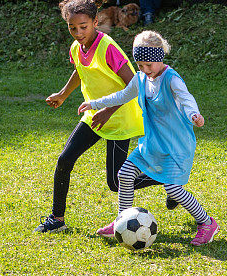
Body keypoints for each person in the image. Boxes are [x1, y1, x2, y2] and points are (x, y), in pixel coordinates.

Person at [79, 30, 219, 246]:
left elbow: (186, 98)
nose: (145, 70)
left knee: (173, 189)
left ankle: (206, 222)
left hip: (176, 145)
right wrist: (95, 103)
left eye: (149, 65)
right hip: (151, 144)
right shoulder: (140, 78)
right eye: (140, 65)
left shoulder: (171, 79)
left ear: (159, 58)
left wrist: (194, 115)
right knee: (125, 175)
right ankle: (122, 221)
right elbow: (122, 95)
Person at [37, 0, 161, 234]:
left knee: (116, 183)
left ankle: (167, 179)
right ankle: (57, 218)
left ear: (95, 22)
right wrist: (63, 94)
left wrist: (108, 111)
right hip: (95, 115)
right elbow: (81, 71)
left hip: (119, 117)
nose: (78, 32)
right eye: (72, 28)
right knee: (64, 160)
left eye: (83, 27)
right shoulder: (77, 47)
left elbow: (133, 84)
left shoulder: (108, 47)